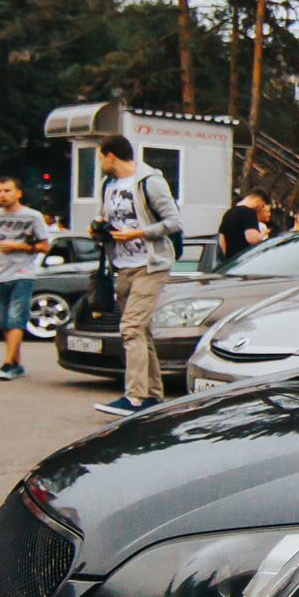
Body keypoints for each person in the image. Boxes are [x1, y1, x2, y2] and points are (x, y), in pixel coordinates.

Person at [95, 134, 185, 416]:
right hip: (122, 265)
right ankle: (153, 396)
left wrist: (138, 233)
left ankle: (133, 397)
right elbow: (106, 219)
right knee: (141, 331)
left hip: (151, 264)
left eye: (99, 157)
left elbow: (174, 222)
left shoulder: (150, 181)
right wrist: (98, 229)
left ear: (111, 156)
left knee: (131, 327)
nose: (99, 163)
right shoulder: (107, 185)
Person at [0, 174, 53, 380]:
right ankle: (16, 362)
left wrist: (18, 246)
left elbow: (44, 246)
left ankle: (7, 364)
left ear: (18, 193)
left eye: (7, 190)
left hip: (22, 274)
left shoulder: (33, 216)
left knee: (16, 319)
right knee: (5, 321)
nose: (2, 195)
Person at [216, 189, 269, 266]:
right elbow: (253, 239)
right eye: (263, 205)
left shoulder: (228, 213)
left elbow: (222, 240)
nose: (261, 208)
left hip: (229, 263)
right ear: (258, 200)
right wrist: (263, 233)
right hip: (244, 261)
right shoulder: (249, 212)